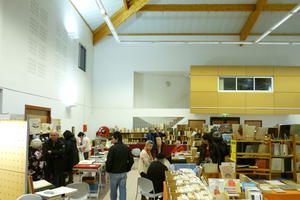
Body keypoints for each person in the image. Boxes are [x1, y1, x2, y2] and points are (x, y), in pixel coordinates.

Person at [106, 132, 134, 200]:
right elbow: (131, 161)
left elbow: (109, 161)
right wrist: (127, 169)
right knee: (123, 190)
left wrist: (108, 170)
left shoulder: (112, 148)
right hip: (123, 173)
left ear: (117, 139)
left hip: (113, 173)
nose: (111, 140)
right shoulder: (126, 148)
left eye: (112, 138)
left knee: (113, 191)